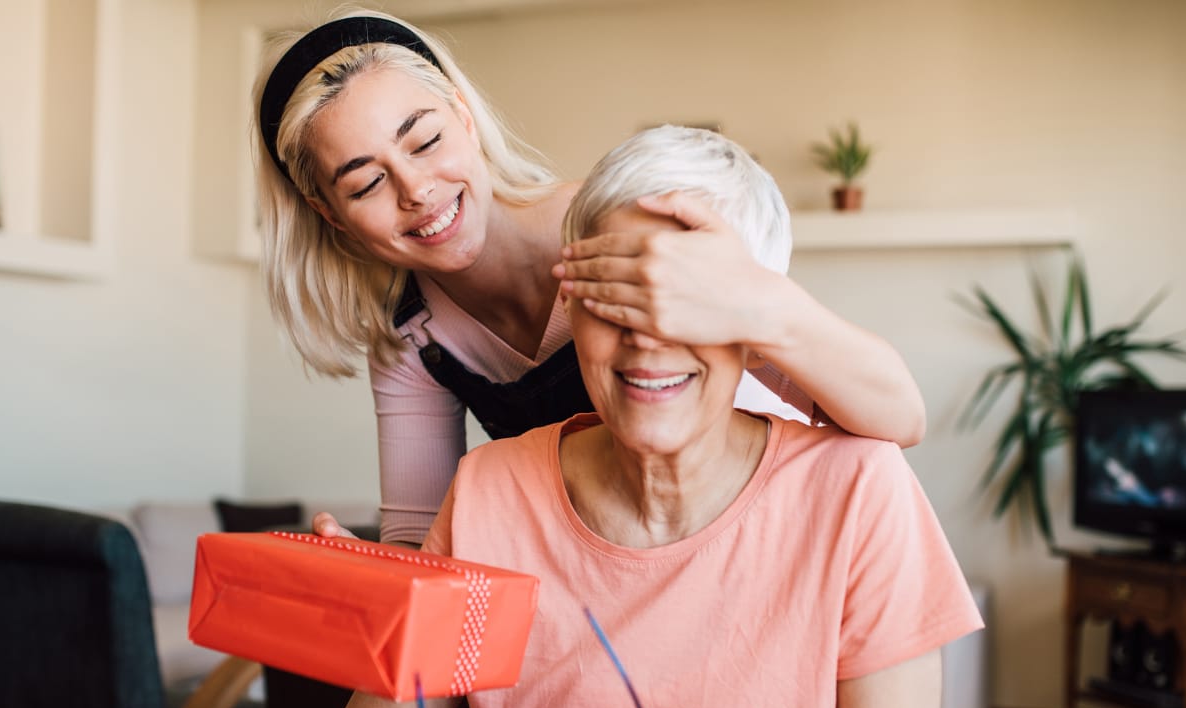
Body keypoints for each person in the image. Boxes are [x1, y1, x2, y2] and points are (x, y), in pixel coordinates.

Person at [330, 125, 982, 708]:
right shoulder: (488, 491)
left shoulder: (860, 492)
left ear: (759, 334)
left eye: (688, 304)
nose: (647, 336)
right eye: (617, 296)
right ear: (572, 308)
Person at [255, 9, 927, 547]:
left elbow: (897, 416)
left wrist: (750, 298)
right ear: (330, 214)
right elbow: (427, 536)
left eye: (426, 141)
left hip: (771, 528)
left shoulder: (623, 227)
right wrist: (376, 572)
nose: (417, 190)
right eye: (368, 182)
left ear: (463, 116)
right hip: (621, 558)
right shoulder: (414, 338)